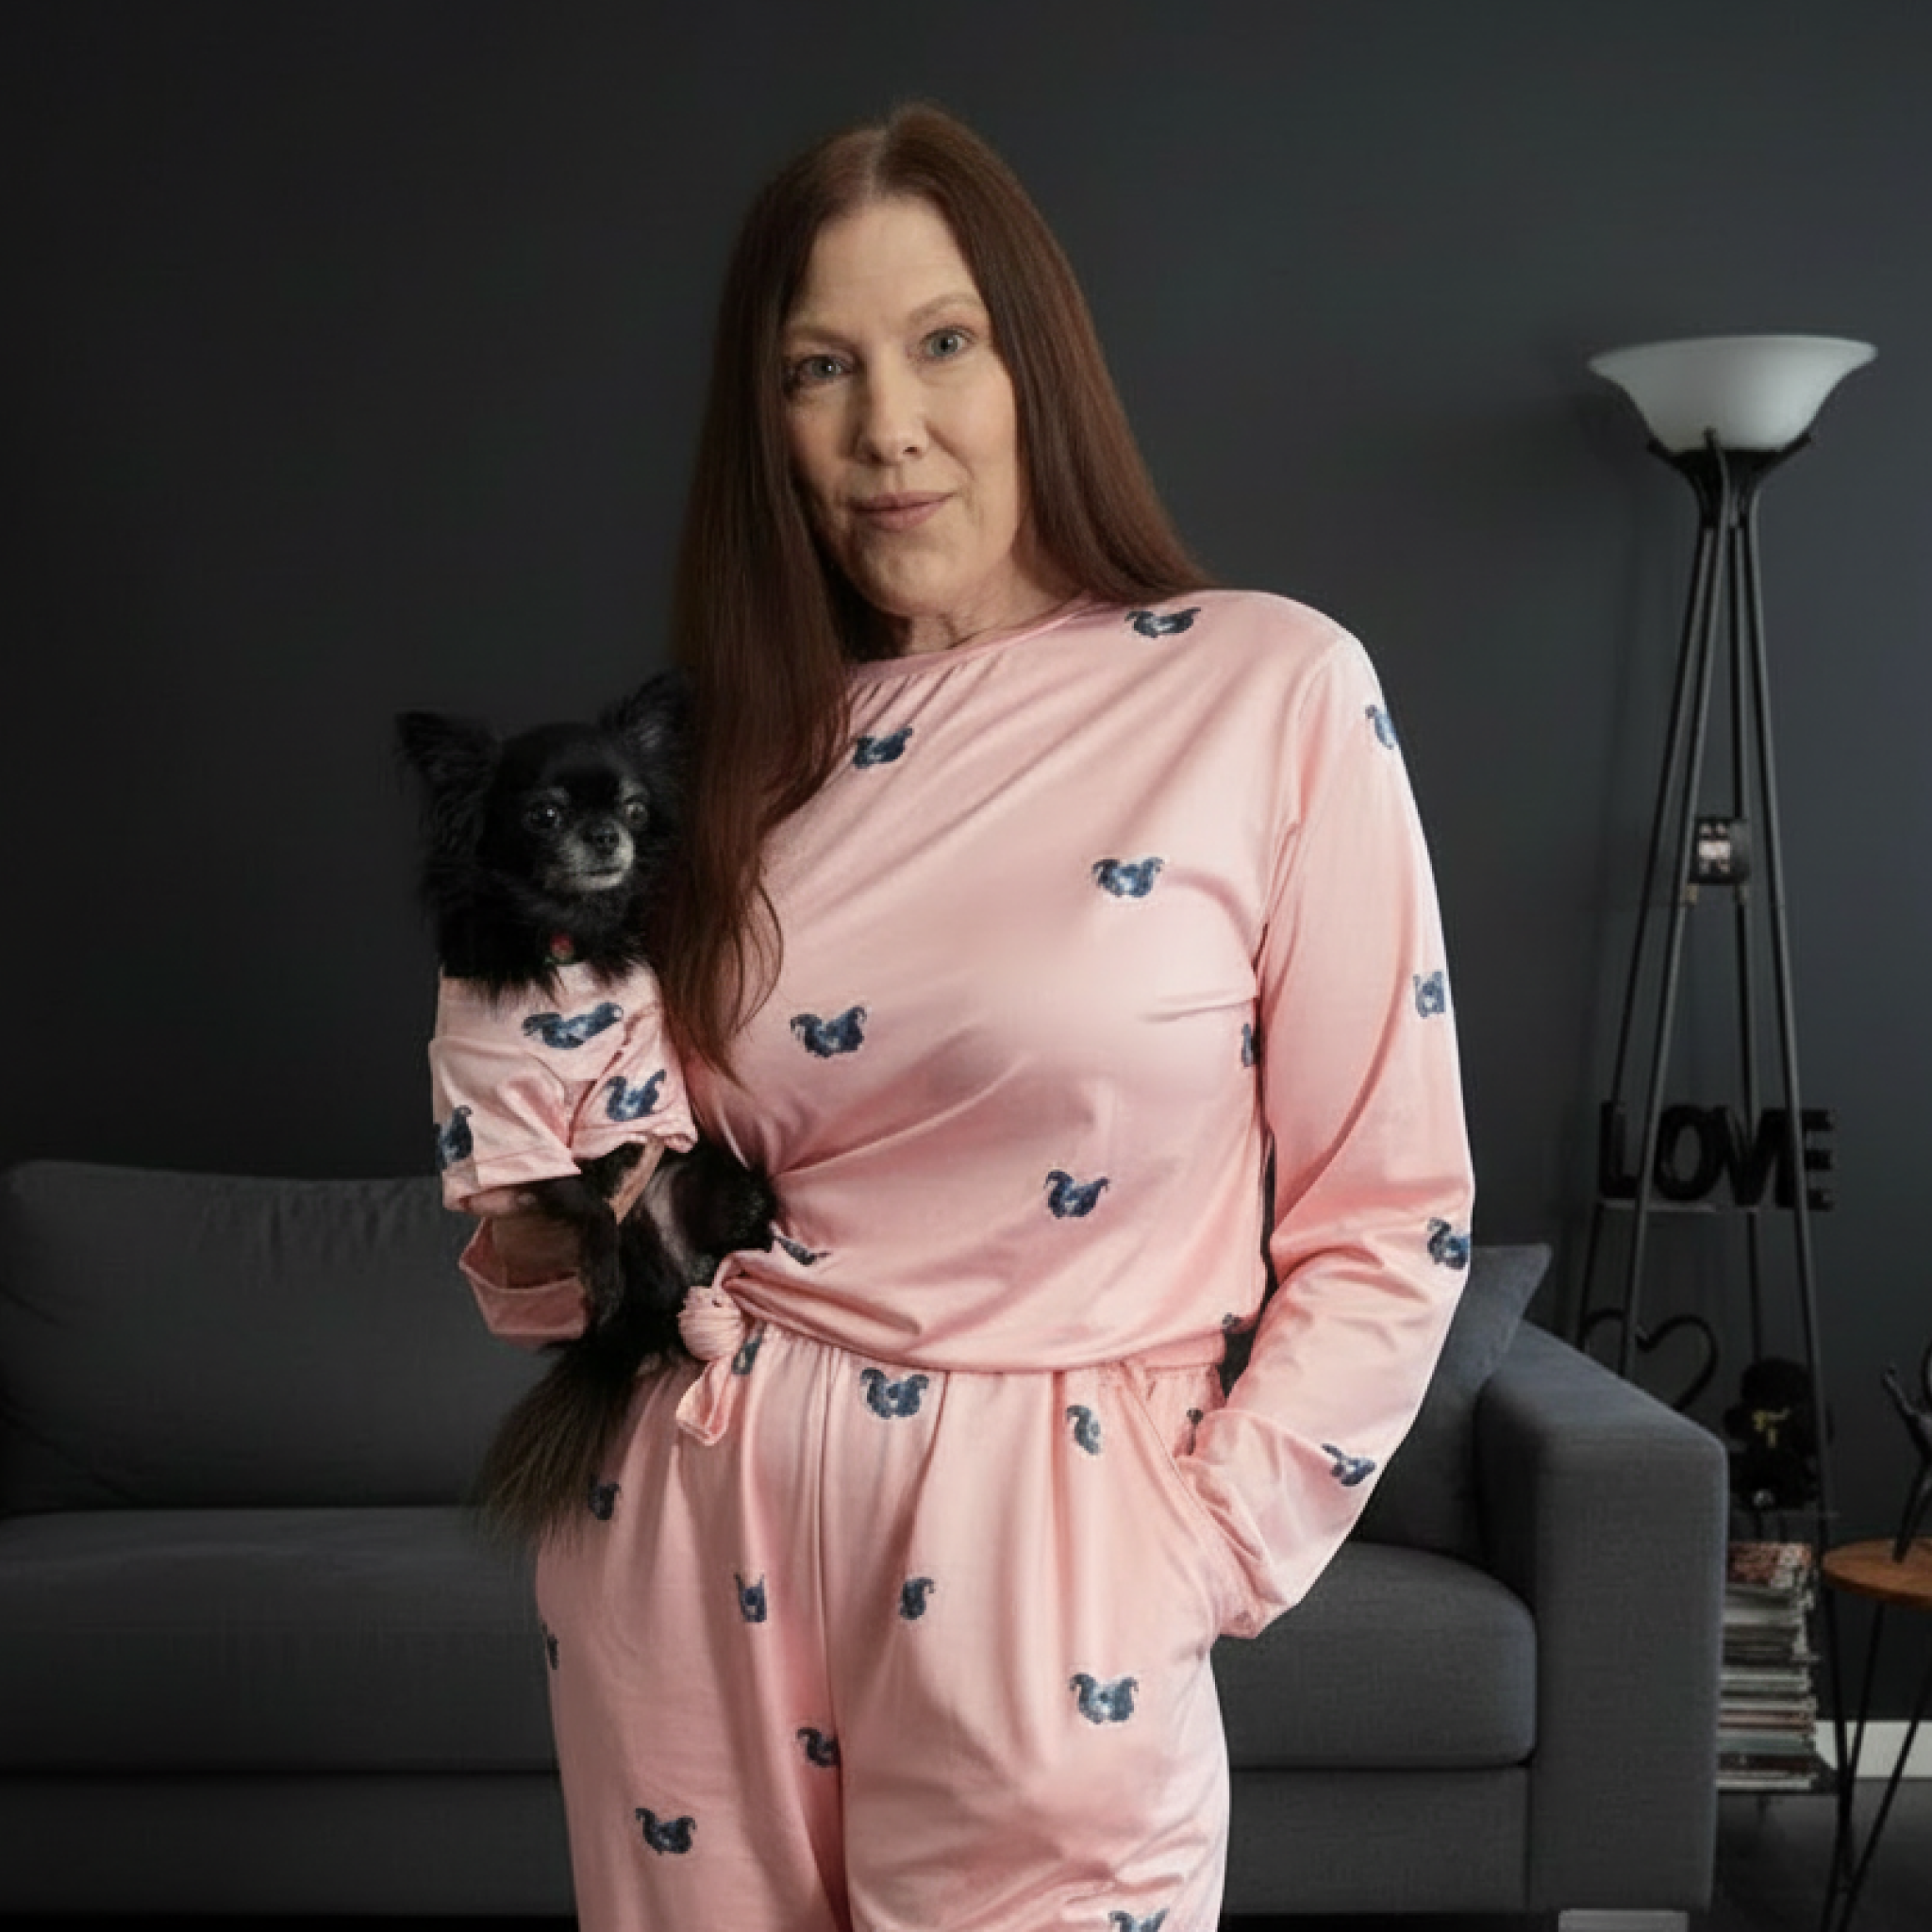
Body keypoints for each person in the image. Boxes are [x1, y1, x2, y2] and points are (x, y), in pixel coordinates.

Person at [454, 102, 1474, 1932]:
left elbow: (1388, 1210)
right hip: (691, 1539)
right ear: (763, 423)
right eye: (818, 370)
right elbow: (573, 1231)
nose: (885, 429)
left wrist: (1188, 1548)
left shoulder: (1264, 690)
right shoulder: (730, 762)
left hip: (1051, 1567)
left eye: (941, 343)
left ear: (1036, 360)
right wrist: (531, 1144)